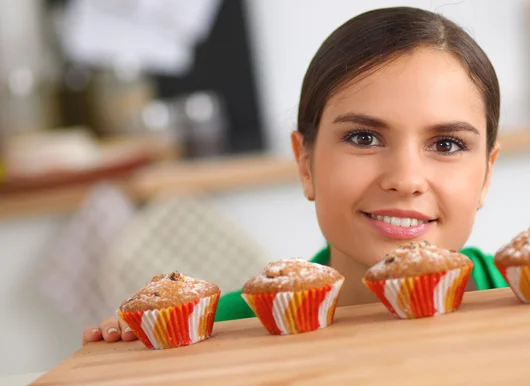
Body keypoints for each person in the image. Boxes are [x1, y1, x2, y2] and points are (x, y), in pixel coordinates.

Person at [82, 6, 508, 345]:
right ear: (305, 164)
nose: (405, 178)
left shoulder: (529, 297)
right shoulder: (217, 332)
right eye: (364, 138)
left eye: (447, 145)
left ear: (487, 175)